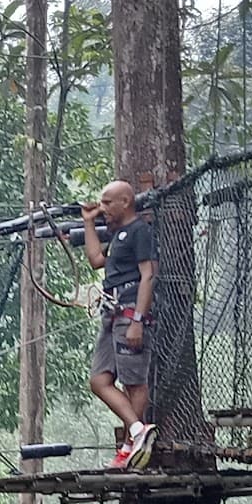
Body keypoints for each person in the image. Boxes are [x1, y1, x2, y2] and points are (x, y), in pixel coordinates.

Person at [81, 180, 158, 470]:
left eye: (107, 203)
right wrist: (89, 223)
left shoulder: (140, 231)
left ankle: (130, 448)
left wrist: (138, 320)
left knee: (134, 381)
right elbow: (95, 260)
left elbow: (148, 275)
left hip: (129, 313)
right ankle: (138, 431)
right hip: (111, 313)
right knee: (99, 380)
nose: (103, 209)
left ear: (125, 202)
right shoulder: (118, 235)